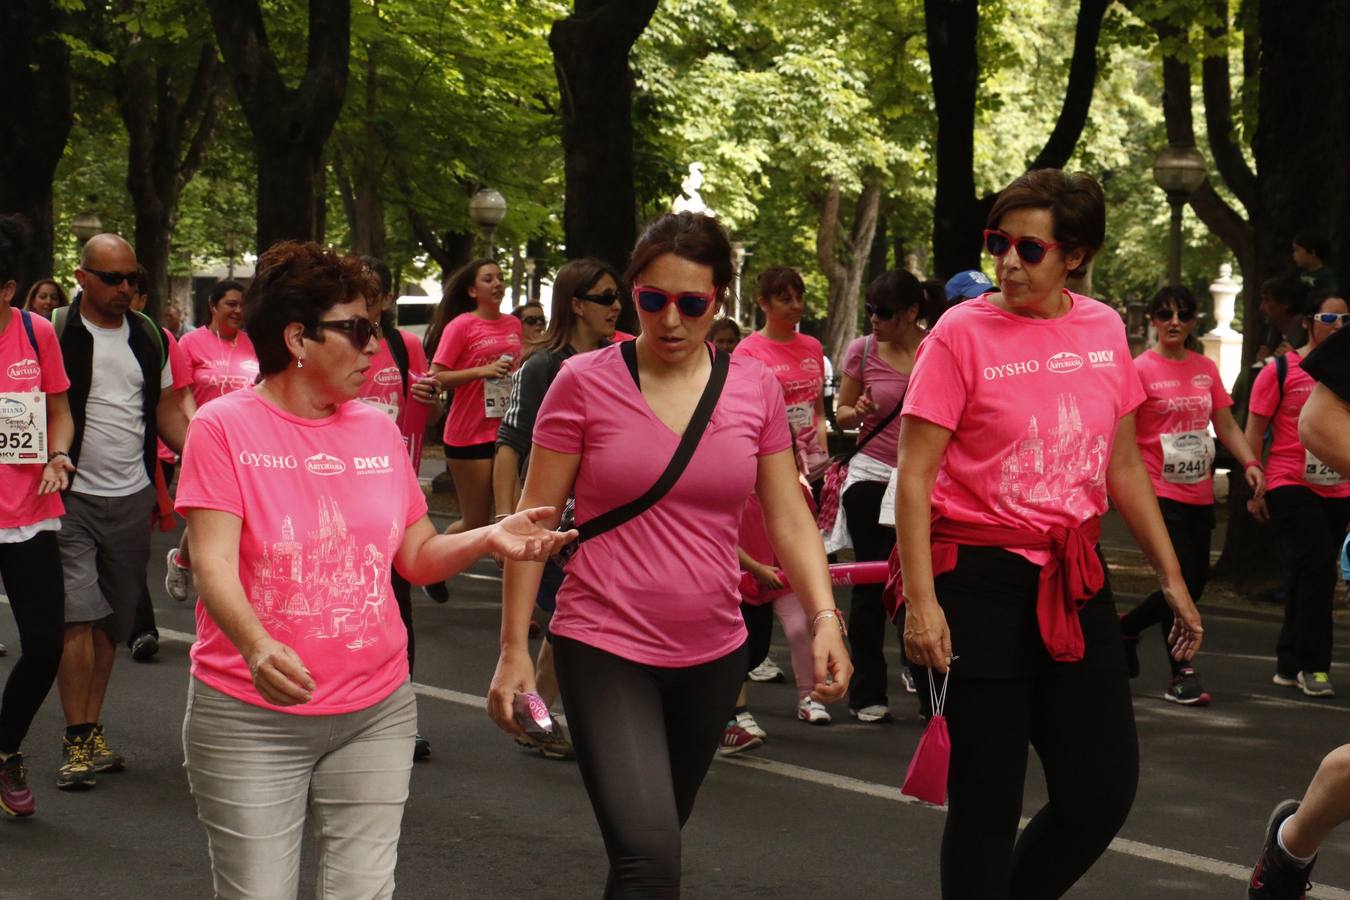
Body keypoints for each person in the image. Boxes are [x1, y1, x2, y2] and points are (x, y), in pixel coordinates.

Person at [176, 241, 574, 900]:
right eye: (358, 330)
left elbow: (415, 557)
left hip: (378, 711)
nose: (376, 347)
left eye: (378, 329)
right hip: (251, 717)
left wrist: (488, 536)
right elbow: (212, 562)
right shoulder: (223, 428)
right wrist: (257, 643)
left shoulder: (377, 430)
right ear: (298, 337)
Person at [487, 211, 852, 896]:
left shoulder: (753, 389)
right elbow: (532, 523)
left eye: (693, 303)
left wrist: (825, 616)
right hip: (604, 644)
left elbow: (789, 516)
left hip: (713, 656)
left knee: (648, 854)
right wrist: (514, 651)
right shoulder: (582, 381)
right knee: (650, 859)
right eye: (654, 300)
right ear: (633, 294)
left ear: (719, 300)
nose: (673, 320)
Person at [892, 169, 1203, 898]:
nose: (1006, 263)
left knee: (1099, 793)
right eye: (998, 243)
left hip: (1074, 578)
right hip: (974, 580)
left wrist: (1172, 578)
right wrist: (924, 601)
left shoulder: (1100, 328)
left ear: (1077, 256)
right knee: (987, 806)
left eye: (1029, 250)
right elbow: (914, 476)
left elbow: (1122, 462)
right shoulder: (959, 333)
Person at [52, 233, 187, 790]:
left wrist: (208, 456)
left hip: (130, 497)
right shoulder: (56, 331)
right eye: (113, 279)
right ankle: (77, 735)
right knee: (75, 616)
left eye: (134, 278)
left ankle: (91, 727)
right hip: (67, 496)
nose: (126, 288)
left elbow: (167, 412)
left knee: (110, 621)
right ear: (83, 277)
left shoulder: (151, 335)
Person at [492, 257, 623, 760]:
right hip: (548, 522)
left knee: (566, 626)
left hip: (601, 521)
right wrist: (505, 524)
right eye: (606, 298)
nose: (617, 307)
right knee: (570, 625)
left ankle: (533, 717)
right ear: (576, 304)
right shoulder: (544, 366)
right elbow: (509, 445)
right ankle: (541, 718)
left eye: (618, 297)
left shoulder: (621, 359)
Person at [1121, 285, 1265, 705]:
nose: (1174, 322)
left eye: (1182, 315)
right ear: (1152, 321)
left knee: (1195, 582)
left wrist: (1251, 464)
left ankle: (1126, 626)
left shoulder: (1204, 368)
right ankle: (1181, 671)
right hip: (1156, 489)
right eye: (1164, 315)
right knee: (1179, 575)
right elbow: (1123, 436)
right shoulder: (1140, 369)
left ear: (1193, 322)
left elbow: (1226, 425)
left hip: (1198, 490)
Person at [1249, 319, 1350, 899]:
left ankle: (1289, 849)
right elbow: (1315, 420)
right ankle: (1290, 849)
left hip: (1332, 496)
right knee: (1309, 571)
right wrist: (1254, 470)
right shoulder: (1281, 371)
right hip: (1293, 483)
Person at [729, 266, 831, 735]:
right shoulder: (749, 352)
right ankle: (730, 703)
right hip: (761, 476)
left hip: (806, 470)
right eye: (784, 298)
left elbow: (815, 411)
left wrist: (817, 455)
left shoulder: (811, 347)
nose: (795, 305)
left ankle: (810, 696)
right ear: (763, 303)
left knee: (797, 605)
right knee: (741, 610)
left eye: (799, 296)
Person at [828, 269, 928, 722]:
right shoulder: (862, 350)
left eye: (884, 312)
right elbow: (842, 418)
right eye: (869, 309)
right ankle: (868, 690)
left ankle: (928, 681)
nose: (874, 319)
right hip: (871, 474)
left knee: (919, 579)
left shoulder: (936, 349)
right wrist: (858, 410)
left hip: (919, 476)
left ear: (911, 313)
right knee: (872, 582)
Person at [0, 214, 74, 817]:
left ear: (7, 288)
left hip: (28, 511)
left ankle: (4, 750)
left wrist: (57, 454)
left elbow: (61, 411)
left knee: (46, 643)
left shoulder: (35, 332)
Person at [1244, 290, 1350, 698]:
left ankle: (1288, 661)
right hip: (1290, 482)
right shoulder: (1281, 371)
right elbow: (1254, 430)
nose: (1338, 328)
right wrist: (1254, 484)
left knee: (1308, 571)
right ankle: (1315, 666)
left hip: (1338, 486)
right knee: (1320, 566)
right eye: (1328, 320)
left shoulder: (1348, 375)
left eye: (1345, 320)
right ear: (1307, 321)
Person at [358, 255, 440, 760]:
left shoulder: (404, 345)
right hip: (341, 499)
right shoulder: (333, 344)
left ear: (386, 299)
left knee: (397, 609)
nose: (363, 302)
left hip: (395, 496)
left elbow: (420, 415)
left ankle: (399, 717)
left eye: (371, 293)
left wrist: (429, 397)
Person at [422, 259, 522, 600]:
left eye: (500, 277)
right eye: (488, 278)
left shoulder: (513, 325)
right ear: (472, 290)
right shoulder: (462, 326)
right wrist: (483, 372)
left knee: (513, 519)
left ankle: (517, 612)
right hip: (468, 435)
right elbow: (436, 376)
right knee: (477, 522)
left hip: (508, 433)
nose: (497, 283)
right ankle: (432, 563)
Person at [164, 279, 258, 605]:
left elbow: (288, 370)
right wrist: (197, 428)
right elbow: (182, 392)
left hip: (246, 441)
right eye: (231, 304)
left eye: (242, 305)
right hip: (206, 439)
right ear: (213, 306)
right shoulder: (190, 342)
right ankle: (193, 567)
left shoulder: (253, 344)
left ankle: (189, 561)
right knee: (208, 510)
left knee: (239, 512)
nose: (238, 310)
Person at [1293, 232, 1337, 296]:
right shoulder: (1302, 273)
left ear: (1312, 252)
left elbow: (1332, 293)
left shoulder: (1326, 274)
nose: (1294, 254)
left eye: (1297, 250)